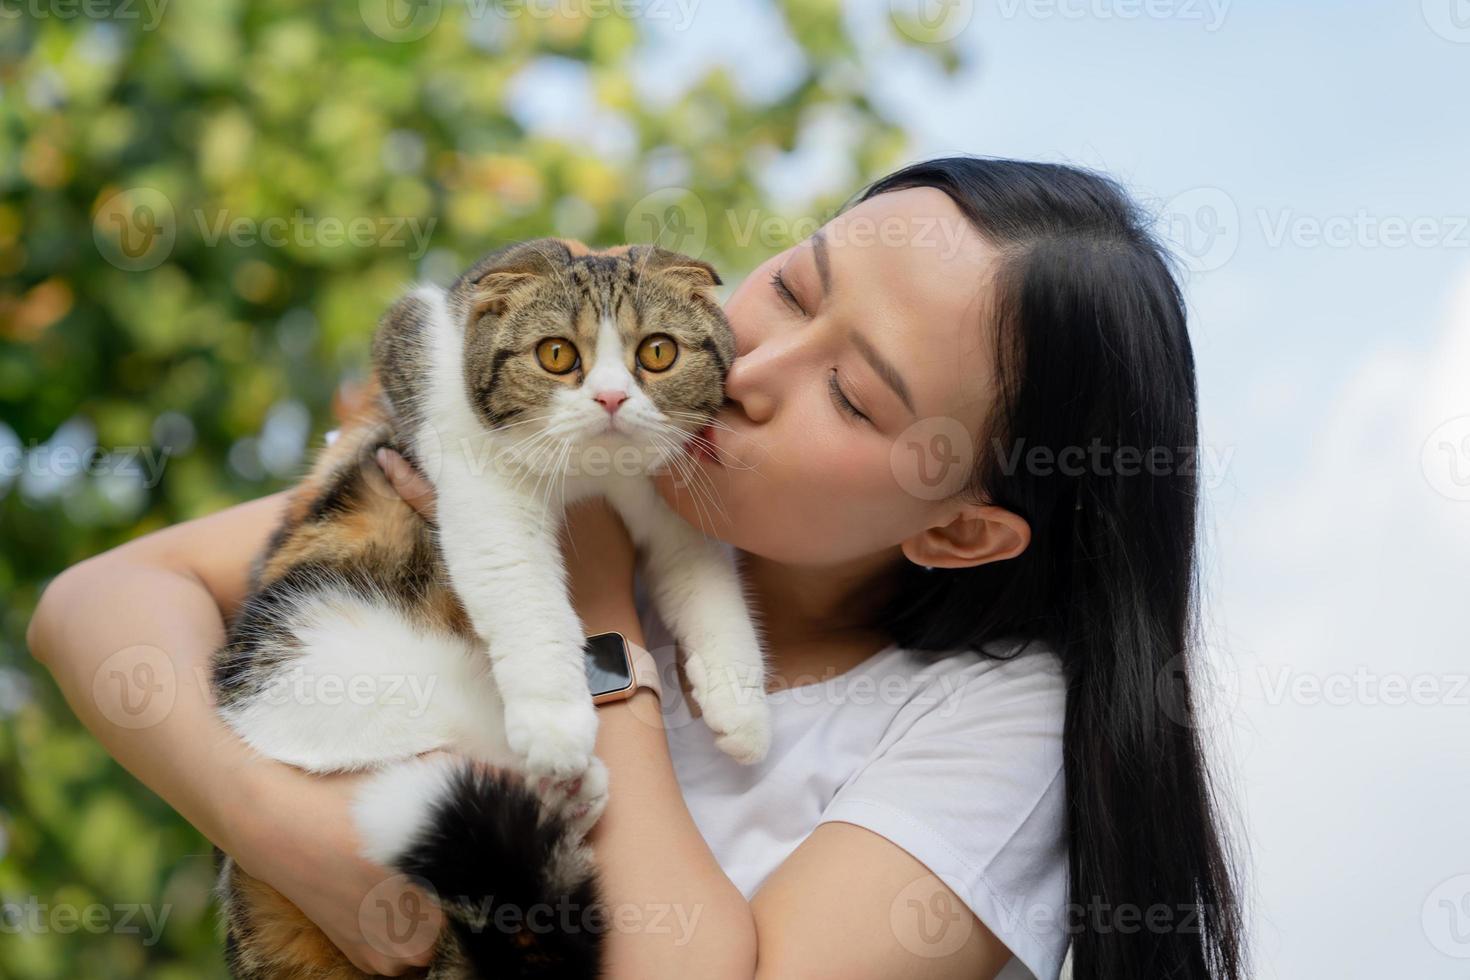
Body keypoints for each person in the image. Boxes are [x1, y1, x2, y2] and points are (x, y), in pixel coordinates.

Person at [27, 156, 1243, 980]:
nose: (753, 365)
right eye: (791, 283)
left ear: (960, 529)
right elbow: (101, 600)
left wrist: (596, 599)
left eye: (850, 393)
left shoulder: (996, 718)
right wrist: (288, 834)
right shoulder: (595, 452)